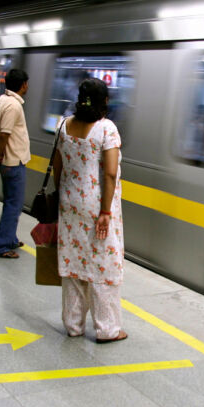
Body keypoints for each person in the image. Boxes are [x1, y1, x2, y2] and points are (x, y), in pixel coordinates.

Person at [51, 78, 127, 343]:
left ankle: (73, 325)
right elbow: (109, 174)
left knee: (73, 262)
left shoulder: (63, 125)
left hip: (70, 203)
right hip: (97, 206)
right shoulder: (107, 129)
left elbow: (57, 168)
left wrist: (64, 196)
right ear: (104, 101)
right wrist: (105, 211)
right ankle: (108, 329)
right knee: (103, 263)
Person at [0, 68, 31, 258]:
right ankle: (1, 246)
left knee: (11, 202)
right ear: (22, 85)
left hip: (8, 160)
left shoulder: (1, 101)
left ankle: (10, 239)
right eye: (26, 83)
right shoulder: (13, 105)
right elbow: (4, 133)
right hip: (13, 162)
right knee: (14, 204)